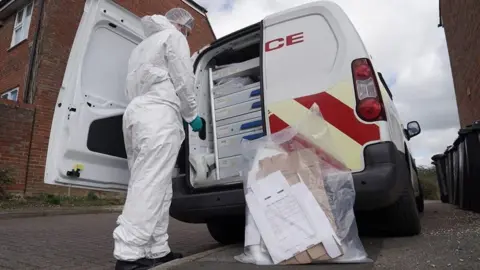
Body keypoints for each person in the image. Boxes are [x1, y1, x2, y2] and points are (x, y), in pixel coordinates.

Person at [113, 8, 203, 270]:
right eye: (187, 30)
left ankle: (156, 250)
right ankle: (128, 254)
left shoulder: (141, 47)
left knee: (158, 186)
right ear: (180, 25)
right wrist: (193, 115)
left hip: (135, 113)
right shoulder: (174, 38)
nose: (186, 34)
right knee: (151, 183)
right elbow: (184, 80)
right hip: (160, 112)